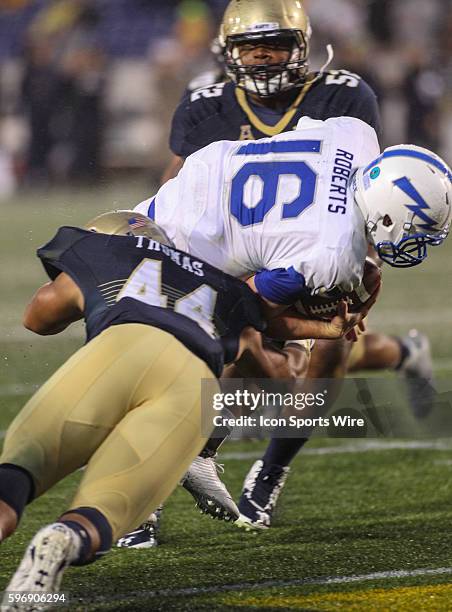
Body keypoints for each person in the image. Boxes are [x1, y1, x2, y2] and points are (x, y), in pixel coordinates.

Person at [147, 0, 443, 531]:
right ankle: (147, 494)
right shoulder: (206, 101)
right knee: (219, 352)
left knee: (328, 345)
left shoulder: (345, 95)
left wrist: (356, 270)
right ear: (228, 52)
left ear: (303, 47)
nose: (263, 57)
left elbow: (365, 192)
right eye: (250, 46)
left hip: (305, 243)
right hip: (230, 241)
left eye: (276, 44)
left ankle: (270, 469)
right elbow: (178, 181)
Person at [0, 210, 295, 601]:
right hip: (189, 384)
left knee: (15, 478)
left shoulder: (105, 252)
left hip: (117, 352)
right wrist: (320, 333)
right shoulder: (225, 288)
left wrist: (87, 290)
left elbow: (37, 318)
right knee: (104, 510)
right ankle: (62, 539)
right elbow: (275, 376)